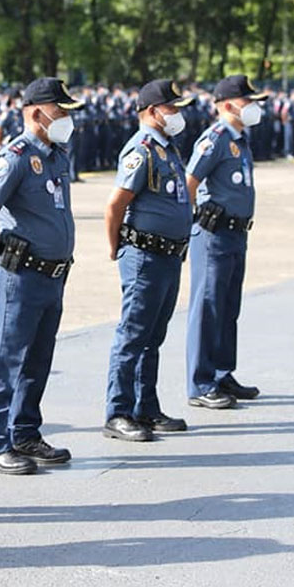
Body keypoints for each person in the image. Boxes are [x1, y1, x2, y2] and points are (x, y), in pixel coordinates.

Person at [0, 77, 81, 475]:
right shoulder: (15, 156)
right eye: (61, 111)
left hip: (52, 274)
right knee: (7, 359)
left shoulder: (55, 154)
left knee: (37, 359)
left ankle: (25, 432)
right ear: (36, 113)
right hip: (21, 274)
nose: (67, 119)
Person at [103, 80, 194, 442]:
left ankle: (146, 407)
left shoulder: (167, 148)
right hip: (144, 255)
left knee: (152, 336)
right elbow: (115, 205)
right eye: (173, 109)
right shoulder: (141, 150)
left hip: (167, 256)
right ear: (154, 112)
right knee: (132, 335)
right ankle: (118, 411)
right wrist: (116, 248)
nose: (178, 115)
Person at [184, 74, 265, 410]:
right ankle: (201, 382)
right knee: (208, 307)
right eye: (249, 102)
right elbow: (190, 182)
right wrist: (190, 223)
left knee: (228, 306)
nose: (255, 108)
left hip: (236, 232)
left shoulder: (239, 140)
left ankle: (221, 372)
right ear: (229, 105)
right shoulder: (215, 138)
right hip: (213, 234)